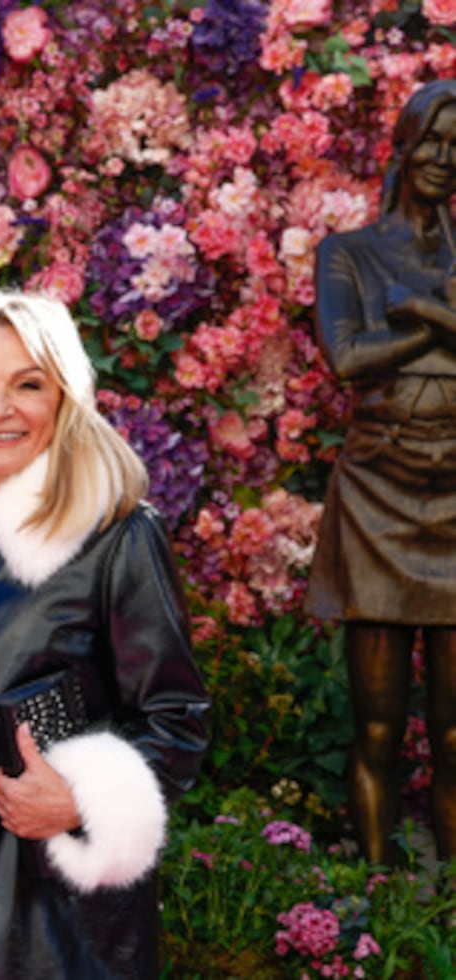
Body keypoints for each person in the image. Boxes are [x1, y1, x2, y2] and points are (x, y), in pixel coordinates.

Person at [0, 291, 210, 979]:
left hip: (53, 937)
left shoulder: (116, 534)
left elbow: (177, 719)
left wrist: (85, 797)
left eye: (28, 384)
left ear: (64, 399)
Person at [304, 79, 456, 867]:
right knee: (376, 725)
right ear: (402, 145)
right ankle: (377, 892)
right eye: (432, 139)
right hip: (378, 495)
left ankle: (451, 911)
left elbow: (383, 339)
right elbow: (348, 358)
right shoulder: (351, 254)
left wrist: (421, 309)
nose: (443, 157)